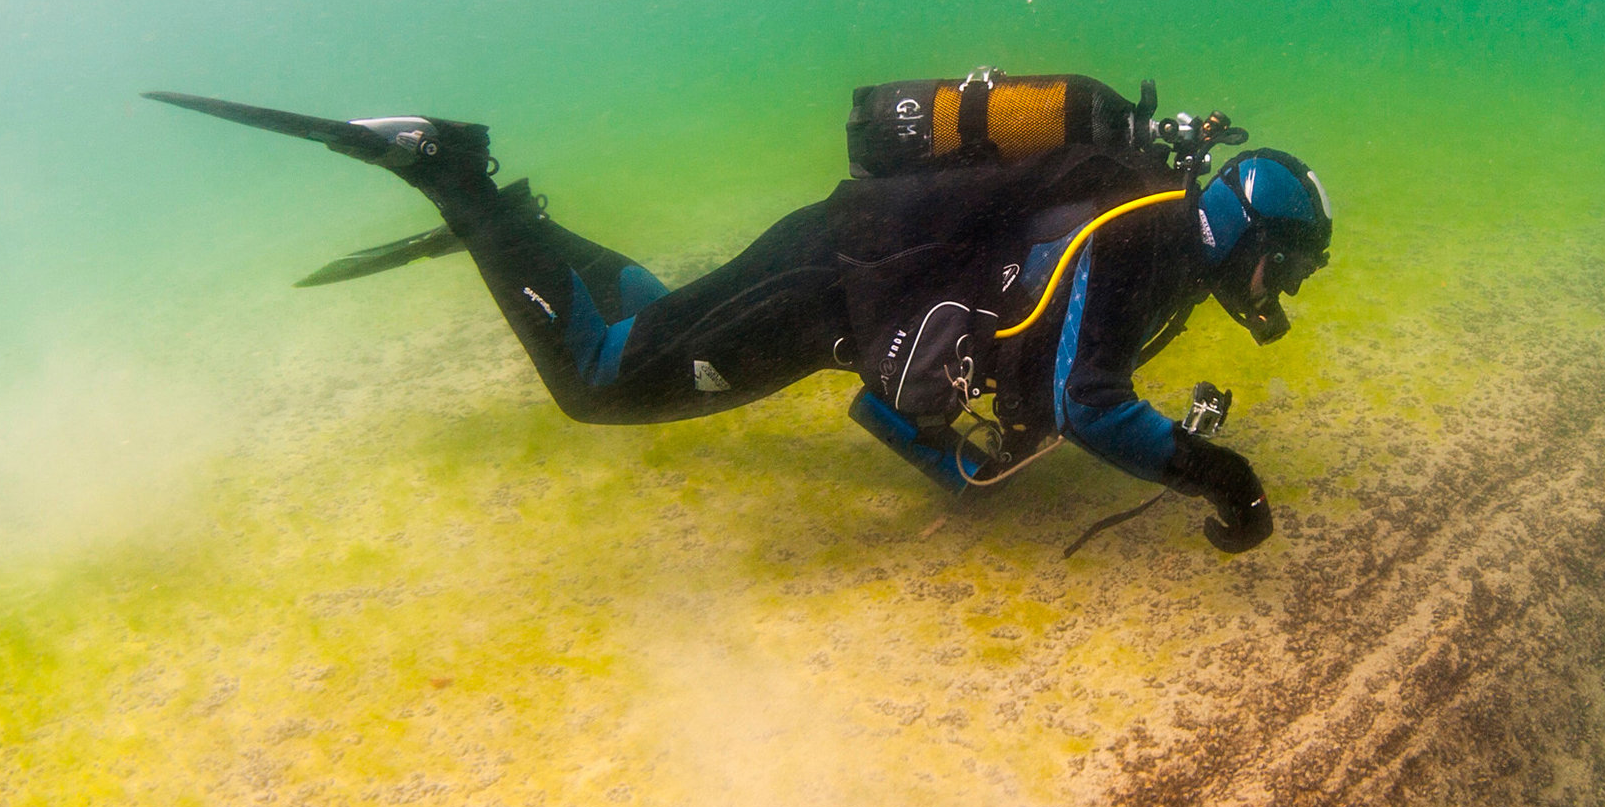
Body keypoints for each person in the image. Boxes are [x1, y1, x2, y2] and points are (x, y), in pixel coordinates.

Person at [146, 83, 1333, 553]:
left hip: (843, 303)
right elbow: (1087, 401)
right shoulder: (1149, 236)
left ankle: (520, 227)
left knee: (656, 332)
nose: (1281, 300)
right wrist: (1223, 478)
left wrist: (958, 474)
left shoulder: (1153, 242)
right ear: (1259, 240)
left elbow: (902, 391)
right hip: (830, 283)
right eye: (1292, 274)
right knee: (599, 390)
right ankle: (452, 171)